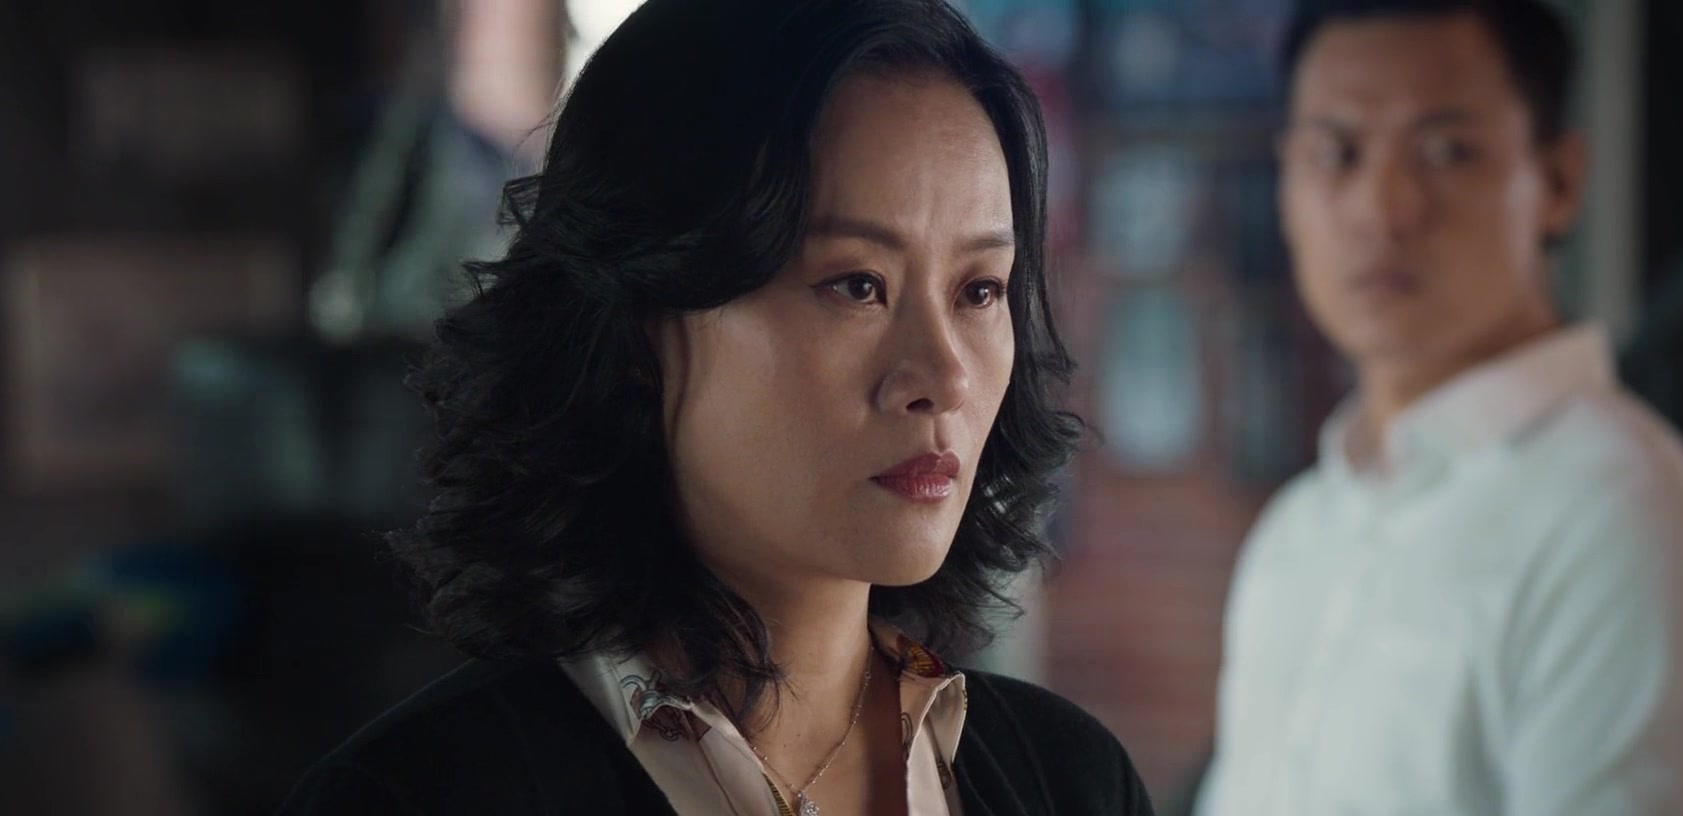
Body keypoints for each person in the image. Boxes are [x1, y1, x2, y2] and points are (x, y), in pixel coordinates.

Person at [279, 1, 1152, 814]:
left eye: (980, 290)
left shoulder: (1070, 783)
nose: (946, 377)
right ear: (640, 322)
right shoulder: (412, 797)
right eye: (857, 285)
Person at [1196, 1, 1683, 814]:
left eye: (1447, 151)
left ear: (1559, 182)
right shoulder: (1298, 532)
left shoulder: (1621, 522)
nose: (1383, 207)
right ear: (1287, 184)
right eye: (1337, 154)